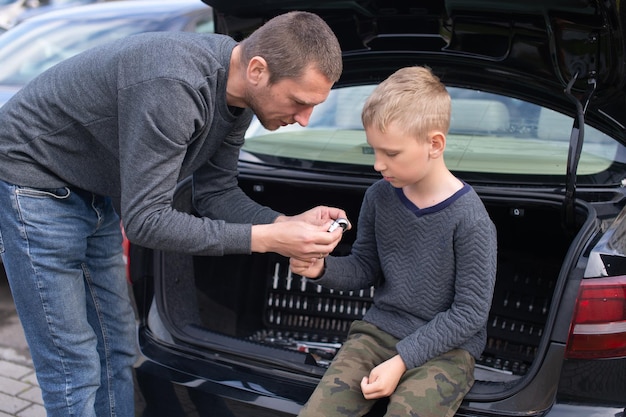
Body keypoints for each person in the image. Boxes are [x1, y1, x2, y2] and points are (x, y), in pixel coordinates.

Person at [0, 11, 346, 417]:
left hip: (91, 188)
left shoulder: (237, 95)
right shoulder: (174, 85)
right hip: (34, 182)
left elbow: (216, 193)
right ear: (257, 69)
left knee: (115, 343)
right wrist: (266, 240)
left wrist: (283, 224)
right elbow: (146, 221)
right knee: (71, 360)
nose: (304, 120)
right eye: (300, 102)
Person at [290, 66, 498, 417]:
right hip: (377, 333)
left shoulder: (471, 220)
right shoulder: (379, 197)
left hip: (447, 349)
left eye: (391, 153)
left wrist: (402, 361)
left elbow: (470, 314)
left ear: (434, 144)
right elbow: (365, 267)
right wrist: (321, 268)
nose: (377, 164)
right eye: (373, 150)